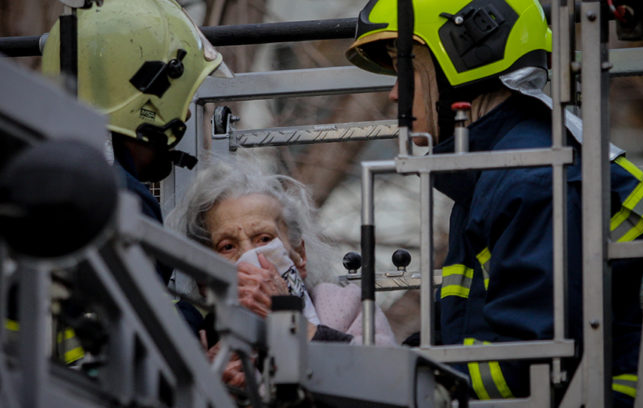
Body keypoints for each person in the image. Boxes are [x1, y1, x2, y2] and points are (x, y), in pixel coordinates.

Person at [346, 0, 643, 408]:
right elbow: (466, 335)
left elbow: (526, 361)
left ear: (463, 59)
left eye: (405, 68)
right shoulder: (497, 169)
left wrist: (397, 387)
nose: (395, 93)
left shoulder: (527, 175)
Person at [41, 0, 226, 334]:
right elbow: (147, 337)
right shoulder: (123, 199)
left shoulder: (37, 169)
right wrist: (208, 316)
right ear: (150, 93)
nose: (185, 116)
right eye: (182, 97)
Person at [172, 159, 395, 359]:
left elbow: (386, 379)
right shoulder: (199, 339)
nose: (251, 257)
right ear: (204, 279)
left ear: (300, 256)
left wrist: (290, 323)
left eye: (264, 239)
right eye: (227, 246)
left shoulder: (349, 305)